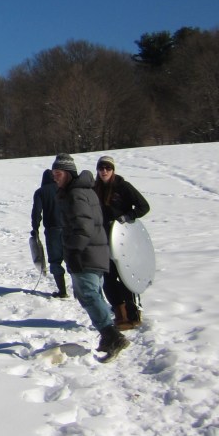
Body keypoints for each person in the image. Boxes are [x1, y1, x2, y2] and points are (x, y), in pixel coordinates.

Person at [50, 153, 128, 358]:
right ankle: (108, 335)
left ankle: (112, 336)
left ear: (67, 173)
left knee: (88, 294)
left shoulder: (76, 194)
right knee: (91, 294)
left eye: (57, 173)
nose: (54, 177)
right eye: (53, 174)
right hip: (93, 252)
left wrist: (74, 251)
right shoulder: (81, 191)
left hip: (86, 254)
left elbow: (83, 228)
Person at [94, 155, 151, 330]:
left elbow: (144, 206)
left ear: (113, 170)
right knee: (109, 279)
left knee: (126, 276)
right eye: (101, 168)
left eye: (108, 168)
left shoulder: (123, 187)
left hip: (123, 239)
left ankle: (133, 314)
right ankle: (120, 316)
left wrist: (128, 217)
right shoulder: (94, 188)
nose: (104, 171)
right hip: (102, 239)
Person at [31, 169, 67, 298]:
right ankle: (80, 291)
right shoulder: (63, 188)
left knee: (56, 261)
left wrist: (35, 228)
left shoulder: (41, 192)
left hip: (53, 230)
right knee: (72, 259)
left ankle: (62, 291)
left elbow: (36, 212)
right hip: (70, 228)